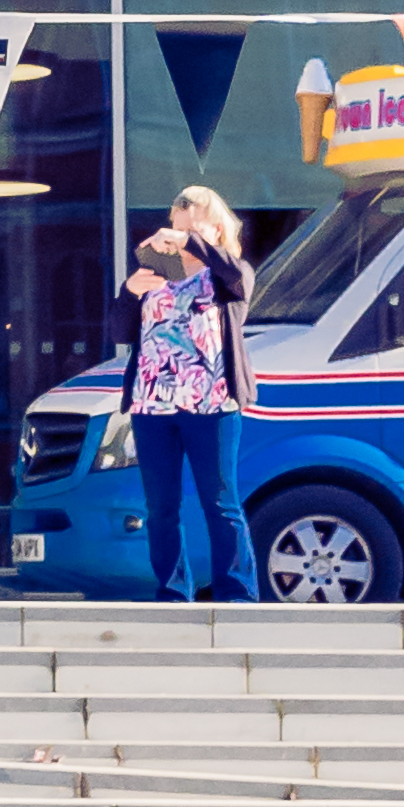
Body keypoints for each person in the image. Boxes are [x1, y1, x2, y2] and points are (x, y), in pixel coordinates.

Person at [121, 182, 255, 601]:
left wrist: (191, 241)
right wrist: (129, 294)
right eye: (175, 230)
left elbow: (235, 277)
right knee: (161, 508)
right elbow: (119, 330)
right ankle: (174, 593)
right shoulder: (160, 278)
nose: (180, 241)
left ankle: (236, 594)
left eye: (191, 231)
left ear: (216, 231)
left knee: (221, 503)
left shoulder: (228, 275)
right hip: (153, 404)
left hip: (211, 403)